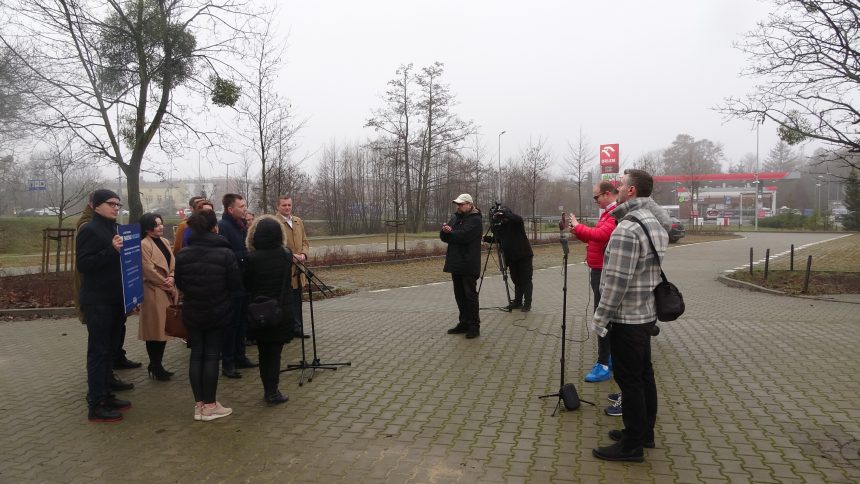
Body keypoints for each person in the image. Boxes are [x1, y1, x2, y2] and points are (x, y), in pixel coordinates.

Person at [591, 169, 667, 463]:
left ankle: (632, 444)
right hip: (646, 314)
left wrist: (601, 318)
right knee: (644, 375)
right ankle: (643, 432)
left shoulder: (627, 228)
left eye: (621, 184)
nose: (617, 187)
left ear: (632, 191)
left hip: (627, 319)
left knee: (629, 380)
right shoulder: (654, 223)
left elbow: (615, 281)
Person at [175, 210, 241, 421]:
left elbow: (180, 283)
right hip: (218, 311)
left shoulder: (183, 255)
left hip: (193, 311)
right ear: (215, 227)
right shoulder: (225, 253)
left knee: (197, 355)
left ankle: (199, 405)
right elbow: (235, 285)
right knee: (212, 356)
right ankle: (211, 406)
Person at [76, 189, 132, 422]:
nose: (116, 207)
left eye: (118, 204)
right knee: (98, 352)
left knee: (109, 349)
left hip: (115, 299)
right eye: (111, 203)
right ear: (96, 205)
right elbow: (84, 264)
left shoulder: (114, 228)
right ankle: (96, 403)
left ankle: (107, 393)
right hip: (98, 301)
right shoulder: (89, 230)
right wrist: (112, 250)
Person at [569, 180, 618, 384]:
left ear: (607, 194)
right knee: (605, 315)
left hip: (603, 272)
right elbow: (596, 239)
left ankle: (604, 363)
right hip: (598, 269)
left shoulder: (614, 213)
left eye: (596, 197)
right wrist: (578, 230)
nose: (595, 201)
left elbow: (600, 235)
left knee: (602, 316)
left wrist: (579, 226)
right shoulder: (607, 213)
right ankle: (610, 358)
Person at [244, 215, 294, 405]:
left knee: (264, 353)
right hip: (280, 311)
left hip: (258, 311)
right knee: (275, 354)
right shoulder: (286, 255)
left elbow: (246, 283)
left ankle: (268, 390)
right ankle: (273, 392)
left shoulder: (250, 259)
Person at [217, 193, 256, 378]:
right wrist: (246, 255)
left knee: (241, 323)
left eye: (245, 205)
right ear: (230, 209)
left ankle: (240, 356)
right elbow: (226, 254)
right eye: (241, 206)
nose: (245, 209)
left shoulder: (240, 225)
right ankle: (228, 362)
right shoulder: (223, 227)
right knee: (231, 325)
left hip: (243, 282)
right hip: (231, 285)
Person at [138, 213, 178, 381]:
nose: (161, 227)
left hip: (166, 290)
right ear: (148, 228)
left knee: (164, 330)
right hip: (153, 292)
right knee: (155, 331)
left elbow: (173, 262)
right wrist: (166, 283)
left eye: (161, 223)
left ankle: (157, 364)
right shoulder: (143, 245)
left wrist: (173, 276)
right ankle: (155, 365)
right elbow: (147, 269)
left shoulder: (164, 241)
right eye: (157, 225)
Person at [441, 194, 483, 339]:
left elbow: (463, 237)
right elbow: (445, 238)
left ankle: (474, 326)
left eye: (461, 204)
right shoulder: (455, 218)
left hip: (469, 264)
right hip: (456, 263)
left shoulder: (476, 220)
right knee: (459, 295)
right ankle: (463, 322)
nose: (458, 207)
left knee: (470, 295)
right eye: (457, 204)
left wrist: (451, 232)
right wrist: (445, 231)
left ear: (469, 204)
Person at [483, 206, 534, 311]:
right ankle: (517, 302)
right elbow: (499, 239)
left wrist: (503, 214)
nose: (502, 218)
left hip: (523, 256)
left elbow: (518, 218)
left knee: (525, 280)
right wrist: (486, 238)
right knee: (516, 280)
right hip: (511, 258)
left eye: (503, 216)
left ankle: (527, 303)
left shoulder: (516, 223)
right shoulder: (502, 227)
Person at [275, 196, 311, 339]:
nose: (287, 208)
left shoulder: (298, 221)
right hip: (285, 270)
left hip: (299, 269)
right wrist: (290, 257)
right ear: (278, 206)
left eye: (289, 205)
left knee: (297, 301)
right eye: (284, 205)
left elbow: (305, 242)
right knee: (286, 302)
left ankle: (298, 328)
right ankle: (287, 329)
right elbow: (276, 246)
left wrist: (303, 254)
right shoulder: (274, 223)